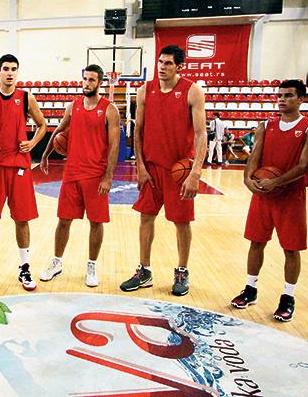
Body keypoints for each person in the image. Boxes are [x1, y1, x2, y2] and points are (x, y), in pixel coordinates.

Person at [120, 45, 207, 296]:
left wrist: (195, 172)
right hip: (152, 168)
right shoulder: (145, 90)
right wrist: (140, 166)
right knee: (145, 217)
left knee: (181, 222)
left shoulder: (192, 91)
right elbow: (138, 131)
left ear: (180, 67)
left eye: (168, 63)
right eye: (160, 62)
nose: (162, 67)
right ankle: (144, 271)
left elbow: (201, 134)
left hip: (179, 169)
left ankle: (182, 271)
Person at [231, 79, 308, 322]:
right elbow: (254, 157)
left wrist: (276, 182)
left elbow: (304, 166)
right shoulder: (265, 125)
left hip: (291, 196)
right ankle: (250, 289)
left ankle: (288, 297)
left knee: (291, 248)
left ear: (301, 99)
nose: (281, 99)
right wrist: (248, 179)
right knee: (256, 242)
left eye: (288, 95)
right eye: (279, 95)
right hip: (263, 194)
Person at [38, 64, 120, 287]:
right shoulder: (73, 106)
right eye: (85, 79)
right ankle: (56, 262)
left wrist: (108, 177)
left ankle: (91, 265)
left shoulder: (110, 109)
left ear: (100, 83)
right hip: (72, 173)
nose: (87, 83)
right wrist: (45, 154)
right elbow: (59, 131)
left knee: (96, 222)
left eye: (91, 80)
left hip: (95, 175)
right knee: (63, 220)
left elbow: (114, 145)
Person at [0, 54, 47, 291]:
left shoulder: (26, 98)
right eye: (6, 69)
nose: (10, 73)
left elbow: (43, 125)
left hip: (19, 167)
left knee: (22, 219)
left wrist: (33, 143)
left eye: (13, 69)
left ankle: (24, 267)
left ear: (17, 72)